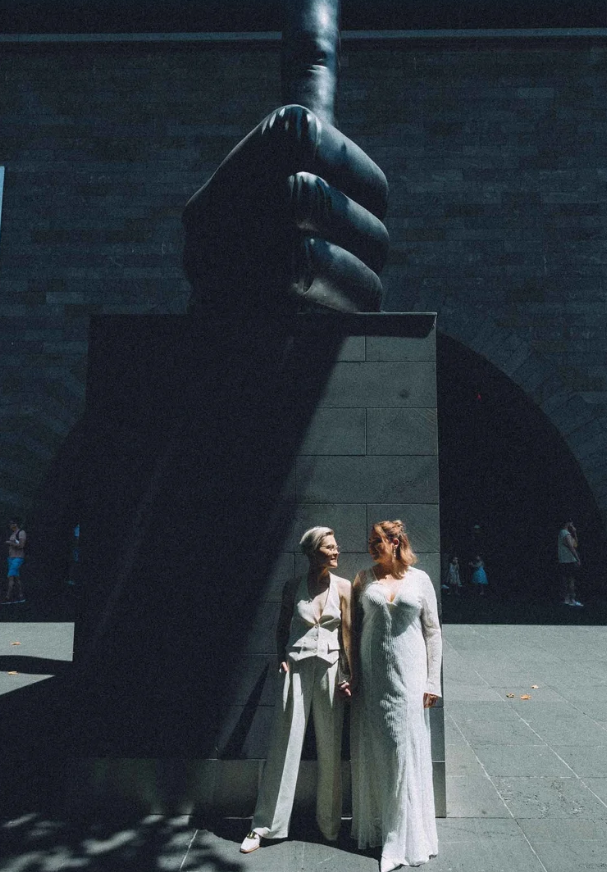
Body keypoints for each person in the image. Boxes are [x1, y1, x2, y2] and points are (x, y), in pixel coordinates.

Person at [240, 526, 352, 854]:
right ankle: (264, 825)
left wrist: (349, 673)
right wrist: (281, 658)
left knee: (330, 747)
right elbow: (281, 626)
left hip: (331, 670)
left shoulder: (344, 587)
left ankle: (330, 824)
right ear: (312, 551)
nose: (336, 552)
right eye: (329, 548)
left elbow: (349, 634)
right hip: (297, 669)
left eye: (336, 547)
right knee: (283, 745)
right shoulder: (293, 586)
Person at [351, 520, 442, 872]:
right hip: (374, 677)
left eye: (377, 541)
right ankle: (388, 829)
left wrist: (432, 682)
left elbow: (433, 632)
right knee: (383, 751)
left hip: (411, 675)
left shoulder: (420, 580)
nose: (372, 546)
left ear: (395, 541)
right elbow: (354, 629)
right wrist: (352, 674)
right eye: (369, 540)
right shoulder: (364, 578)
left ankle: (400, 839)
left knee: (403, 750)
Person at [558, 520, 582, 607]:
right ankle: (571, 599)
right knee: (570, 580)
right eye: (571, 523)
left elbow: (575, 544)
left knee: (567, 580)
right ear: (567, 523)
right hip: (569, 560)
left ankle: (567, 599)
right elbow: (572, 547)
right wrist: (577, 558)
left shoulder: (566, 533)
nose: (572, 525)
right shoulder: (565, 533)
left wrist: (575, 533)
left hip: (564, 560)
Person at [3, 517, 27, 604]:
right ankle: (21, 596)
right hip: (11, 558)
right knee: (16, 578)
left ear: (15, 524)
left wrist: (10, 543)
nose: (10, 525)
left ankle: (8, 597)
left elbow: (21, 545)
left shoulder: (21, 532)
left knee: (11, 577)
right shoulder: (13, 534)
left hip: (18, 558)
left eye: (11, 524)